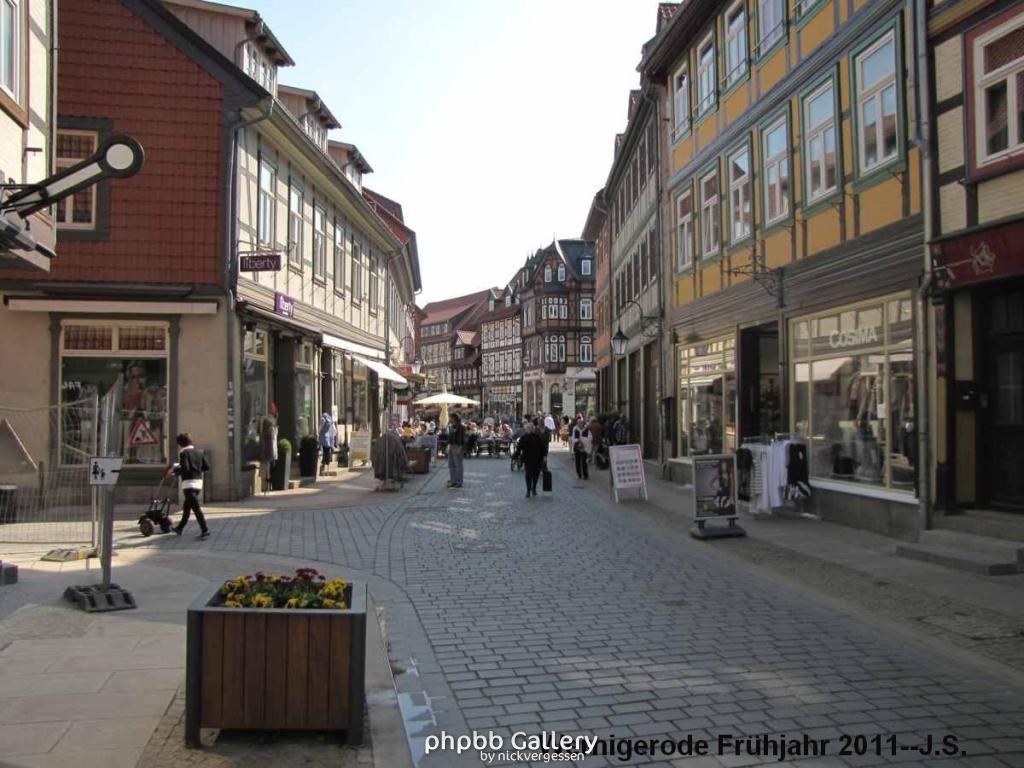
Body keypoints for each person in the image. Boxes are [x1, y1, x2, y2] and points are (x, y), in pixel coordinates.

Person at [167, 432, 210, 538]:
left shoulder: (184, 453)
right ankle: (180, 528)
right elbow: (206, 467)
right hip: (198, 483)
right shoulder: (200, 452)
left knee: (195, 508)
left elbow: (184, 468)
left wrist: (174, 472)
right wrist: (197, 469)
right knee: (187, 507)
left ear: (180, 444)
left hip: (188, 484)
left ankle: (205, 529)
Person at [518, 423, 547, 497]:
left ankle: (534, 488)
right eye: (529, 428)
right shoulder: (524, 437)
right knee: (528, 475)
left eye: (532, 428)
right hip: (528, 459)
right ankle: (528, 490)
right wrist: (516, 456)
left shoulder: (537, 437)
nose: (530, 429)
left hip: (537, 459)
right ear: (527, 429)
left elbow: (542, 448)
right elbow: (519, 447)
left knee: (535, 475)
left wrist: (544, 456)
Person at [447, 413, 466, 488]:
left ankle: (459, 482)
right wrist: (448, 446)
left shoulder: (461, 427)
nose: (449, 419)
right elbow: (450, 438)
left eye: (450, 417)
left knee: (458, 466)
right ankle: (453, 481)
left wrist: (460, 448)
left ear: (454, 418)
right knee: (451, 465)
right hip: (451, 446)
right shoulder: (451, 427)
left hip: (458, 446)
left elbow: (463, 439)